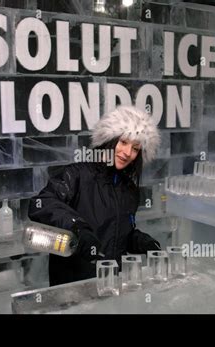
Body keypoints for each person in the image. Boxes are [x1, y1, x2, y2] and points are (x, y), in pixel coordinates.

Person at [28, 106, 162, 286]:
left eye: (135, 148)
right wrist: (77, 228)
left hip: (110, 286)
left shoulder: (129, 190)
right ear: (108, 139)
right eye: (123, 142)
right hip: (73, 287)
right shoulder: (77, 175)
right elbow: (41, 203)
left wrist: (140, 241)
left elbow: (117, 234)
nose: (127, 153)